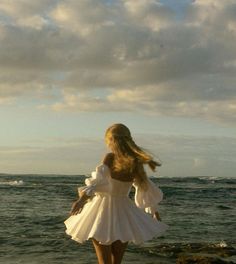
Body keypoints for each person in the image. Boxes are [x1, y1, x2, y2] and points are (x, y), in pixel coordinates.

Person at [64, 123, 168, 264]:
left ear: (112, 140)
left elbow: (96, 183)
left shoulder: (109, 158)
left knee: (104, 261)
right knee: (116, 262)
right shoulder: (135, 162)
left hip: (101, 211)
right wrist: (154, 211)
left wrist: (81, 200)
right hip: (124, 212)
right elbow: (145, 187)